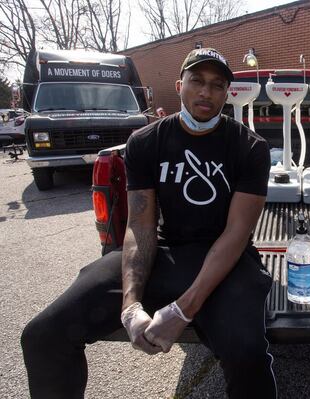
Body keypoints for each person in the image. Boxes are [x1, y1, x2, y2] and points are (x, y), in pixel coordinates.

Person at [21, 48, 277, 398]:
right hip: (165, 252)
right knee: (43, 334)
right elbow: (140, 226)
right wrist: (130, 306)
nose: (206, 92)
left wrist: (181, 310)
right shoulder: (146, 141)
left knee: (247, 352)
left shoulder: (250, 147)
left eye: (218, 85)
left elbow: (236, 234)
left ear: (227, 93)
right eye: (197, 81)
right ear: (179, 84)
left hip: (227, 262)